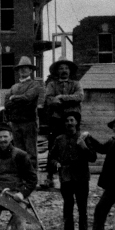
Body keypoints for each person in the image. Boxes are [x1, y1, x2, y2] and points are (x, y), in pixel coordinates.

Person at [48, 111, 96, 230]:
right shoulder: (59, 139)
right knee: (68, 206)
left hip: (81, 177)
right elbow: (51, 157)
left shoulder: (84, 137)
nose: (69, 123)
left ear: (77, 122)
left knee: (82, 207)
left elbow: (93, 157)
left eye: (72, 120)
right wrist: (56, 164)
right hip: (66, 177)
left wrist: (84, 147)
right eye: (67, 121)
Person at [43, 59, 84, 189]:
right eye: (61, 68)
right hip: (56, 120)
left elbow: (80, 97)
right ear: (57, 71)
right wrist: (68, 101)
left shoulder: (76, 84)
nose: (64, 70)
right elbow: (49, 100)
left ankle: (73, 177)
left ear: (70, 71)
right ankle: (50, 177)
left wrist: (61, 97)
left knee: (73, 146)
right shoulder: (52, 84)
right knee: (53, 147)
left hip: (72, 121)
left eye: (66, 68)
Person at [3, 56, 42, 175]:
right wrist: (16, 100)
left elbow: (28, 98)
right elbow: (6, 104)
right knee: (18, 150)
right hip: (15, 123)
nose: (23, 70)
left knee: (30, 151)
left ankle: (32, 176)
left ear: (30, 70)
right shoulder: (14, 87)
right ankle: (21, 175)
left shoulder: (35, 84)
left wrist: (14, 98)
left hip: (28, 122)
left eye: (26, 68)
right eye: (21, 68)